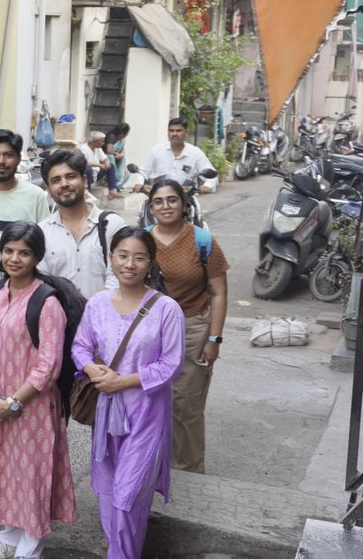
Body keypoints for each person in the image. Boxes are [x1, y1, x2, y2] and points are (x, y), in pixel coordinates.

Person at [72, 226, 185, 559]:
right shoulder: (97, 303)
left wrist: (124, 381)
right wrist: (92, 369)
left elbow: (172, 364)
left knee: (128, 494)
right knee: (108, 494)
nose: (130, 264)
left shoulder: (165, 309)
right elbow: (80, 346)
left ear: (150, 262)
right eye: (123, 255)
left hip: (147, 416)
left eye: (139, 257)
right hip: (107, 413)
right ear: (111, 258)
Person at [0, 222, 78, 559]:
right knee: (3, 469)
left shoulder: (47, 303)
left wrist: (14, 402)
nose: (14, 259)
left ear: (36, 257)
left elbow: (48, 365)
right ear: (0, 253)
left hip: (32, 409)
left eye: (24, 253)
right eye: (9, 251)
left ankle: (29, 550)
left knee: (31, 478)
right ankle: (8, 539)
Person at [147, 179, 230, 474]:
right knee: (151, 404)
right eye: (158, 201)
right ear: (151, 207)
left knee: (187, 408)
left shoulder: (201, 240)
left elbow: (219, 293)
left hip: (193, 329)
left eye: (172, 200)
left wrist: (214, 338)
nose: (165, 206)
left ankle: (190, 474)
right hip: (151, 334)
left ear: (183, 204)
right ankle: (154, 471)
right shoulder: (142, 241)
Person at [38, 150, 127, 299]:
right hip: (60, 320)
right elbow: (42, 285)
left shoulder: (111, 225)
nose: (64, 184)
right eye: (56, 180)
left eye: (70, 177)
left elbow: (122, 275)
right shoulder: (42, 233)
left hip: (105, 318)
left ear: (85, 180)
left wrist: (97, 312)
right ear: (48, 190)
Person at [0, 129, 50, 231]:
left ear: (18, 159)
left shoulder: (36, 196)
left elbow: (44, 238)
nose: (1, 161)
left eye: (8, 155)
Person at [139, 118, 216, 194]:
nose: (174, 134)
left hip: (186, 199)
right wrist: (139, 183)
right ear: (167, 132)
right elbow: (143, 172)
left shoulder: (195, 153)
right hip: (159, 196)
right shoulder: (157, 150)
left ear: (186, 133)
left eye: (178, 131)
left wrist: (207, 186)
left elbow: (212, 177)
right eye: (171, 131)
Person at [80, 130, 122, 200]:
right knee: (88, 169)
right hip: (86, 175)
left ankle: (112, 191)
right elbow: (84, 162)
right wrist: (100, 165)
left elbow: (105, 158)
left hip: (96, 173)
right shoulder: (83, 148)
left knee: (111, 166)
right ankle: (87, 192)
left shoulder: (98, 149)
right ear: (95, 141)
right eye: (102, 141)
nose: (104, 143)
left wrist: (107, 163)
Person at [104, 123, 130, 189]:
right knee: (111, 157)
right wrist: (116, 154)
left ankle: (119, 181)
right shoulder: (111, 136)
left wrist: (121, 155)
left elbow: (123, 150)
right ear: (122, 133)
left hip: (117, 157)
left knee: (124, 158)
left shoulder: (122, 139)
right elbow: (109, 151)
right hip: (107, 157)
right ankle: (113, 179)